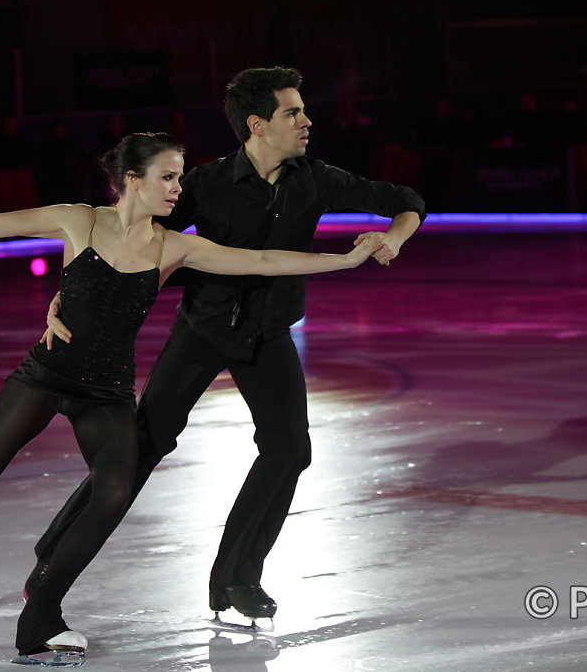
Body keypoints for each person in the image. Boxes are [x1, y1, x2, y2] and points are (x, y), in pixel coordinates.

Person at [0, 131, 381, 663]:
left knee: (114, 492)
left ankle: (41, 614)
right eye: (167, 177)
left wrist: (343, 262)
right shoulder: (81, 220)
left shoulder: (174, 246)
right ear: (130, 180)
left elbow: (261, 262)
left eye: (178, 176)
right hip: (45, 375)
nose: (177, 187)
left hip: (107, 392)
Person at [31, 66, 425, 623]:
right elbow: (127, 234)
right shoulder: (207, 185)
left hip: (267, 336)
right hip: (203, 331)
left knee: (290, 449)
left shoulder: (316, 180)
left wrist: (394, 235)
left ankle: (236, 578)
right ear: (258, 125)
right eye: (293, 113)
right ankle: (53, 558)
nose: (307, 121)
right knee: (145, 442)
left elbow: (406, 198)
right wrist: (69, 298)